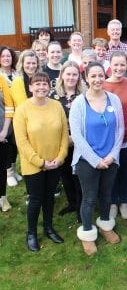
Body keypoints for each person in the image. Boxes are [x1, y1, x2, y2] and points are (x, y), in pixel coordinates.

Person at [69, 62, 124, 256]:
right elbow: (76, 136)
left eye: (100, 75)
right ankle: (87, 233)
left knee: (107, 195)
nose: (97, 79)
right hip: (87, 160)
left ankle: (105, 226)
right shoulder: (78, 104)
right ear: (86, 78)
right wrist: (95, 160)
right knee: (89, 197)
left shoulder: (114, 100)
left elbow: (120, 130)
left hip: (110, 159)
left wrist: (111, 156)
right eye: (93, 76)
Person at [13, 72, 69, 252]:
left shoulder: (57, 106)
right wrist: (40, 162)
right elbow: (21, 141)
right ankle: (31, 234)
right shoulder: (22, 109)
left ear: (49, 87)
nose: (41, 87)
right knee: (36, 200)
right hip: (34, 165)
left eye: (44, 84)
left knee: (49, 198)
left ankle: (48, 227)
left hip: (54, 162)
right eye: (37, 84)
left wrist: (60, 158)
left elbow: (64, 135)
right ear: (30, 87)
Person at [104, 51, 127, 220]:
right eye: (115, 64)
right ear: (110, 64)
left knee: (124, 171)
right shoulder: (103, 85)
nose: (119, 68)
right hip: (109, 139)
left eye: (122, 64)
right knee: (112, 172)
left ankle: (124, 201)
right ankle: (112, 202)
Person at [51, 61, 84, 220]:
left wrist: (75, 138)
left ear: (78, 77)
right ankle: (71, 203)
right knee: (65, 176)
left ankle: (80, 207)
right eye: (68, 74)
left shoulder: (84, 95)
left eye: (74, 74)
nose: (71, 77)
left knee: (78, 176)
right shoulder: (53, 96)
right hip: (61, 143)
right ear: (62, 75)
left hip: (80, 143)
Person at [0, 46, 21, 187]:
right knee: (7, 144)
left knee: (15, 145)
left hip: (18, 114)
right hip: (5, 115)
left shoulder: (17, 74)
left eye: (8, 56)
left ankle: (13, 169)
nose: (6, 58)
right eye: (3, 56)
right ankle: (8, 173)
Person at [0, 73, 14, 211]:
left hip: (1, 133)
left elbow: (9, 106)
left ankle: (2, 198)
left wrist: (4, 131)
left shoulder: (1, 79)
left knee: (1, 168)